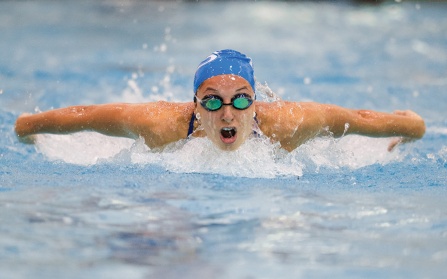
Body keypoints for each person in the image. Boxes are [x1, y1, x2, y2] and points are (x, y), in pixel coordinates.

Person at [15, 49, 425, 153]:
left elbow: (356, 118)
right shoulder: (162, 125)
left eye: (240, 101)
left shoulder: (289, 123)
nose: (227, 114)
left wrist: (413, 126)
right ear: (195, 105)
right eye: (212, 103)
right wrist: (28, 127)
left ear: (256, 101)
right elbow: (86, 116)